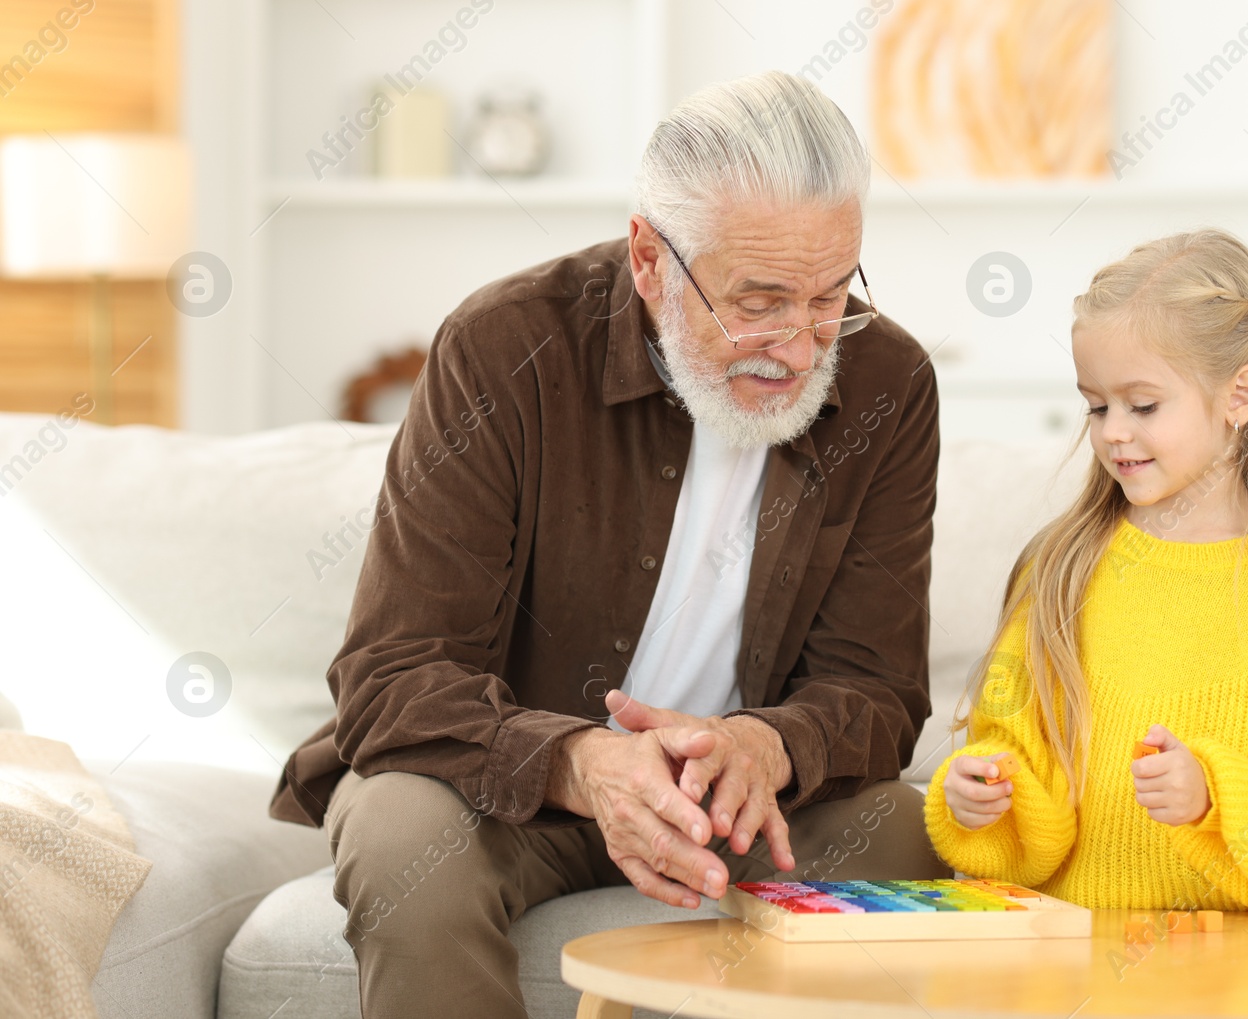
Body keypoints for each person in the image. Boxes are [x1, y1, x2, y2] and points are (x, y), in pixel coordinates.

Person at [267, 69, 949, 1018]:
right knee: (397, 832)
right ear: (649, 257)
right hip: (508, 792)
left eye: (832, 293)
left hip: (741, 803)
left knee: (913, 835)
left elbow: (876, 691)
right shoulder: (504, 348)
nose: (799, 344)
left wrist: (766, 743)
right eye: (758, 301)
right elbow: (394, 674)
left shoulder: (889, 381)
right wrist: (583, 762)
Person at [924, 228, 1248, 917]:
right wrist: (983, 793)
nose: (1113, 430)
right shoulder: (1062, 568)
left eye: (1142, 405)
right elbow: (1014, 748)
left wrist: (1216, 792)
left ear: (1241, 395)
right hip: (1088, 958)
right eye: (1096, 404)